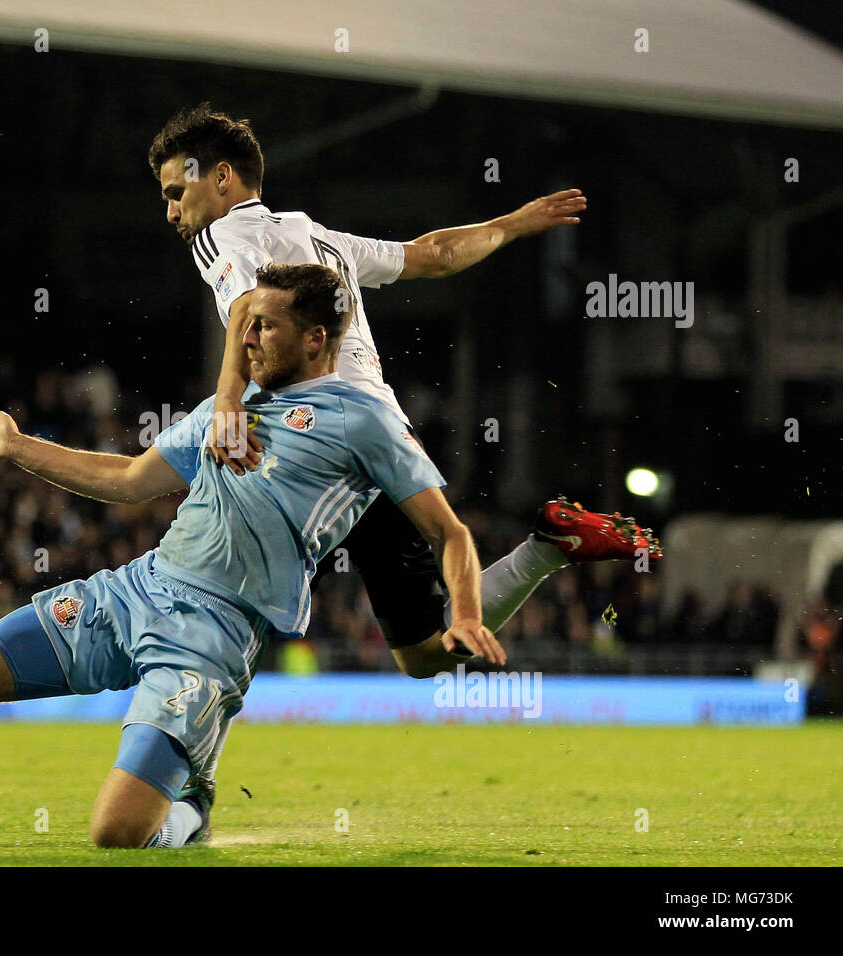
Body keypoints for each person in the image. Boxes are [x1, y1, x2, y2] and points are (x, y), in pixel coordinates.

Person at [0, 263, 512, 848]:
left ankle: (192, 808)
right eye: (246, 328)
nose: (247, 340)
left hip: (213, 639)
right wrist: (19, 447)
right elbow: (129, 479)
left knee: (117, 833)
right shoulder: (223, 409)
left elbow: (449, 533)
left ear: (316, 339)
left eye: (265, 327)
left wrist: (467, 614)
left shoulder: (364, 421)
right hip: (134, 592)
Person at [147, 103, 660, 820]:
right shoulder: (315, 236)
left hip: (309, 434)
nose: (172, 210)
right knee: (422, 655)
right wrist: (512, 225)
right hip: (378, 436)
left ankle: (186, 786)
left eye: (178, 190)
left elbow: (243, 313)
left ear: (222, 178)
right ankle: (547, 546)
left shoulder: (221, 234)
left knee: (223, 598)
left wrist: (229, 397)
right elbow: (431, 255)